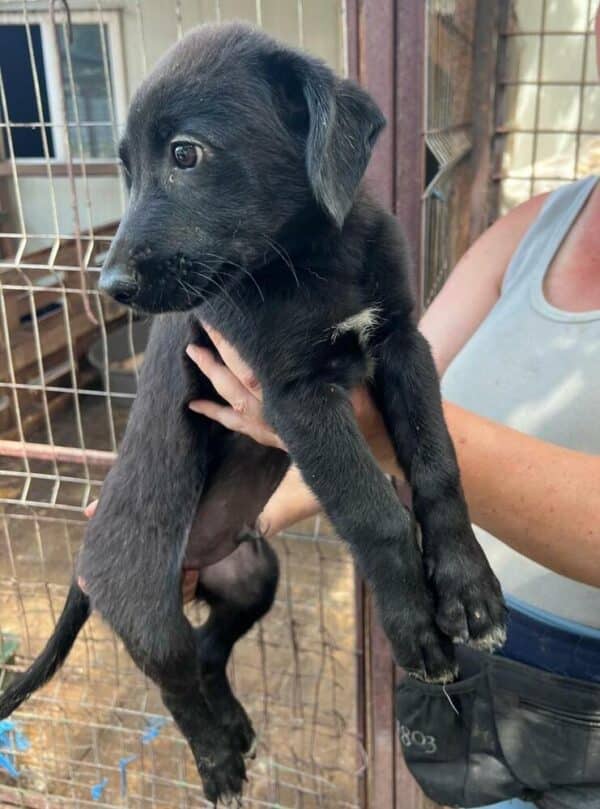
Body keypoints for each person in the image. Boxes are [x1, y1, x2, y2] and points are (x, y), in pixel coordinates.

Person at [86, 10, 600, 807]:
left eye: (184, 157)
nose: (120, 261)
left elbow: (388, 376)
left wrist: (424, 523)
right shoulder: (532, 231)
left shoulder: (360, 240)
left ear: (312, 130)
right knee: (192, 619)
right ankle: (207, 709)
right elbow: (371, 378)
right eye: (140, 171)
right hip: (470, 705)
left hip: (573, 688)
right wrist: (202, 521)